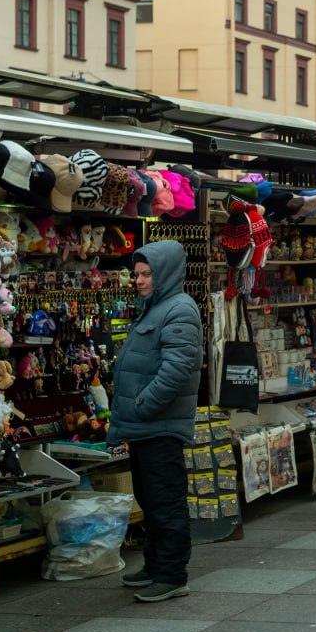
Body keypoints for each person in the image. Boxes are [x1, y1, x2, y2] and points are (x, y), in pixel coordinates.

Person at [109, 241, 203, 603]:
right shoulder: (155, 308)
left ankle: (171, 574)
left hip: (159, 425)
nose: (139, 280)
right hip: (144, 425)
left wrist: (143, 406)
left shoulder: (179, 309)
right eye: (137, 274)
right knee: (150, 498)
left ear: (163, 273)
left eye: (146, 274)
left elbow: (176, 369)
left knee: (165, 500)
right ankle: (155, 565)